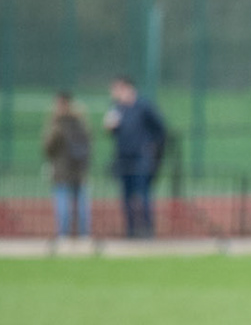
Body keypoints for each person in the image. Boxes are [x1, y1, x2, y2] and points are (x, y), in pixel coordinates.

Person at [105, 75, 165, 238]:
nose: (114, 92)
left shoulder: (144, 106)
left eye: (117, 88)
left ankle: (147, 230)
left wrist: (152, 147)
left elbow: (160, 129)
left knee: (143, 194)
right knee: (126, 195)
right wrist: (111, 128)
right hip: (123, 158)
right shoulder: (117, 109)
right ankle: (130, 231)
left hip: (141, 157)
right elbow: (114, 132)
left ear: (126, 88)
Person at [42, 89, 92, 238]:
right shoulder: (81, 122)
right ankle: (84, 234)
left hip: (61, 168)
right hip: (79, 168)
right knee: (82, 202)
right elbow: (89, 144)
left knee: (62, 201)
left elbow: (48, 146)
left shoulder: (57, 124)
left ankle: (63, 234)